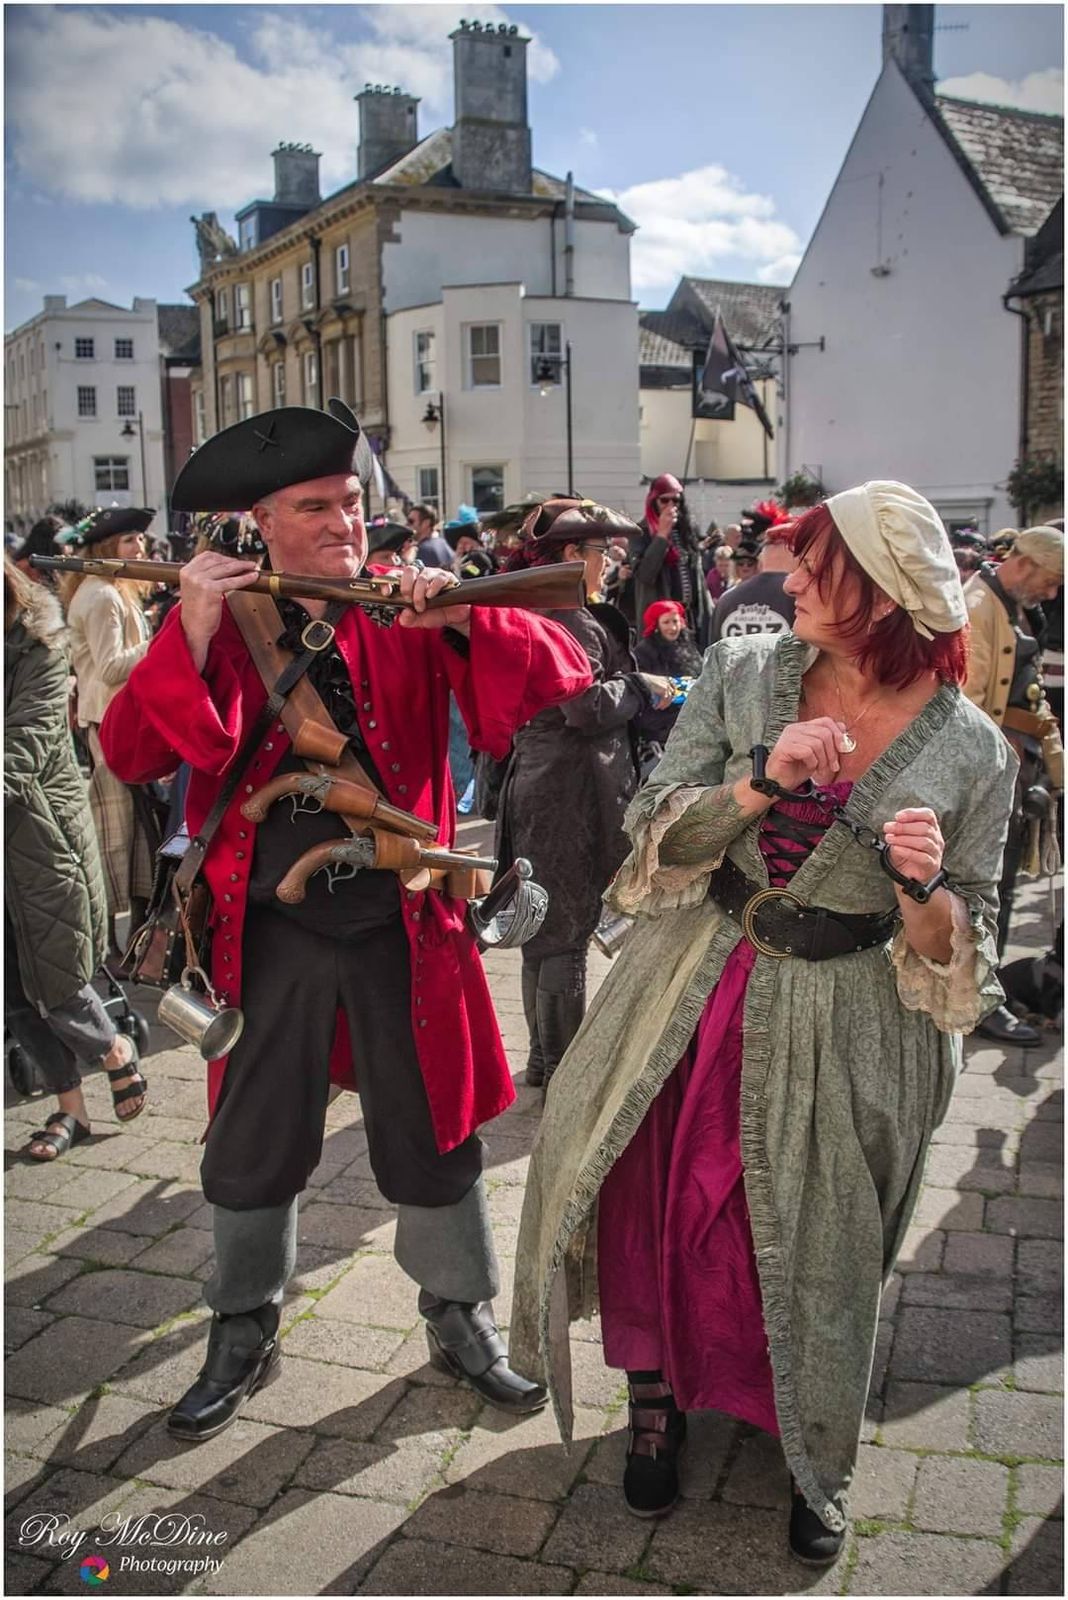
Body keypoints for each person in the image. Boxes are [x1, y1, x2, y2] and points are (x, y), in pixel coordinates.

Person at [512, 482, 1017, 1565]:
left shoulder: (975, 751)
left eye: (816, 566)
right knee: (660, 1196)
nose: (787, 582)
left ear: (882, 592)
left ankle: (812, 1445)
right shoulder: (743, 675)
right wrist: (759, 782)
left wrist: (924, 887)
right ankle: (656, 1400)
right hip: (698, 986)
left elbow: (956, 951)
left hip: (854, 1015)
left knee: (821, 1238)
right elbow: (655, 834)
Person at [100, 399, 593, 1441]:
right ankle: (243, 1323)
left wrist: (460, 617)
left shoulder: (402, 603)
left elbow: (562, 678)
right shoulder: (224, 616)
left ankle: (458, 1313)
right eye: (315, 508)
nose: (344, 523)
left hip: (405, 919)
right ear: (262, 523)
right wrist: (193, 628)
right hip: (265, 930)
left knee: (432, 1126)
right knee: (254, 1135)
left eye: (351, 502)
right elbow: (135, 753)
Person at [497, 500, 675, 1092]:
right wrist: (640, 684)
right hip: (568, 788)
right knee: (564, 932)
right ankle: (561, 1071)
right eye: (603, 551)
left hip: (547, 780)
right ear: (573, 555)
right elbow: (586, 707)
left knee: (541, 927)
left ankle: (544, 1063)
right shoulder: (568, 617)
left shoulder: (545, 610)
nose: (611, 561)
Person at [5, 558, 147, 1159]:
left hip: (40, 838)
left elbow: (27, 743)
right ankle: (72, 1110)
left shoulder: (36, 646)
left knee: (57, 975)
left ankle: (113, 1048)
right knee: (12, 991)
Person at [962, 525, 1064, 1046]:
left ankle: (989, 990)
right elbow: (970, 707)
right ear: (1024, 563)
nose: (1053, 591)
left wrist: (1056, 770)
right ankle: (980, 1000)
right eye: (1051, 580)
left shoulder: (1014, 606)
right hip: (992, 774)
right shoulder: (979, 606)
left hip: (1015, 768)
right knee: (989, 888)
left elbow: (1031, 698)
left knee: (1001, 887)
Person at [60, 508, 157, 966]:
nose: (141, 548)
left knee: (137, 832)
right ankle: (114, 942)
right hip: (110, 724)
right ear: (106, 547)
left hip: (118, 720)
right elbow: (112, 666)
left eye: (140, 539)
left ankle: (131, 937)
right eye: (130, 540)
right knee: (119, 835)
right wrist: (163, 641)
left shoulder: (111, 590)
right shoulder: (101, 595)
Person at [629, 474, 712, 648]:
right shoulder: (641, 532)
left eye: (676, 501)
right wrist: (661, 536)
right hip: (661, 620)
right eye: (664, 500)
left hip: (689, 617)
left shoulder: (686, 531)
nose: (671, 506)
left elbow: (697, 577)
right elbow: (645, 574)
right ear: (653, 502)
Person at [633, 600, 703, 770]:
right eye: (666, 622)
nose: (673, 628)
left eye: (675, 621)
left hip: (691, 721)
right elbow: (640, 686)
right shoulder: (644, 652)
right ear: (656, 625)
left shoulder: (689, 646)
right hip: (659, 727)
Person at [711, 522, 797, 643]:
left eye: (749, 563)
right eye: (741, 563)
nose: (745, 567)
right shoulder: (800, 599)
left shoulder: (726, 600)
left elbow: (712, 649)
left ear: (759, 562)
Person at [408, 502, 453, 569]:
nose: (407, 525)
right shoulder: (444, 544)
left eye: (411, 521)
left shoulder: (424, 550)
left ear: (426, 523)